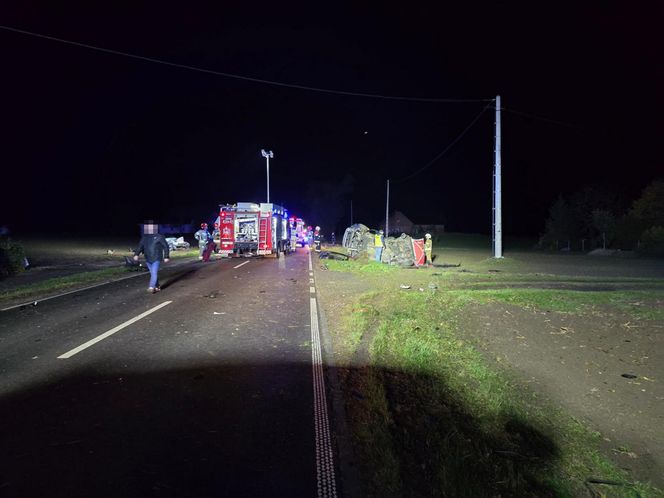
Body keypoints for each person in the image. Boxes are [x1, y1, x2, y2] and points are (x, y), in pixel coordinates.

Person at [133, 223, 170, 293]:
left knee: (154, 272)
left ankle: (151, 286)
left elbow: (166, 246)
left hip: (156, 258)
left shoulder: (160, 237)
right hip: (147, 258)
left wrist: (166, 256)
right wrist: (136, 254)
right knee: (152, 273)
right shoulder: (144, 238)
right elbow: (140, 246)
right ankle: (157, 286)